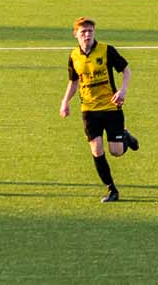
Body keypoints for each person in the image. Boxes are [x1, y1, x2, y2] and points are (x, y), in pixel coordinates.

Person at [59, 17, 138, 202]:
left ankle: (124, 136)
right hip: (89, 110)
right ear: (76, 34)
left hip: (111, 107)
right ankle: (112, 190)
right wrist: (65, 102)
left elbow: (126, 70)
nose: (87, 35)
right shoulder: (73, 56)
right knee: (96, 150)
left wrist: (123, 91)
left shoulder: (107, 50)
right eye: (83, 32)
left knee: (116, 151)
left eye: (90, 31)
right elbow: (74, 82)